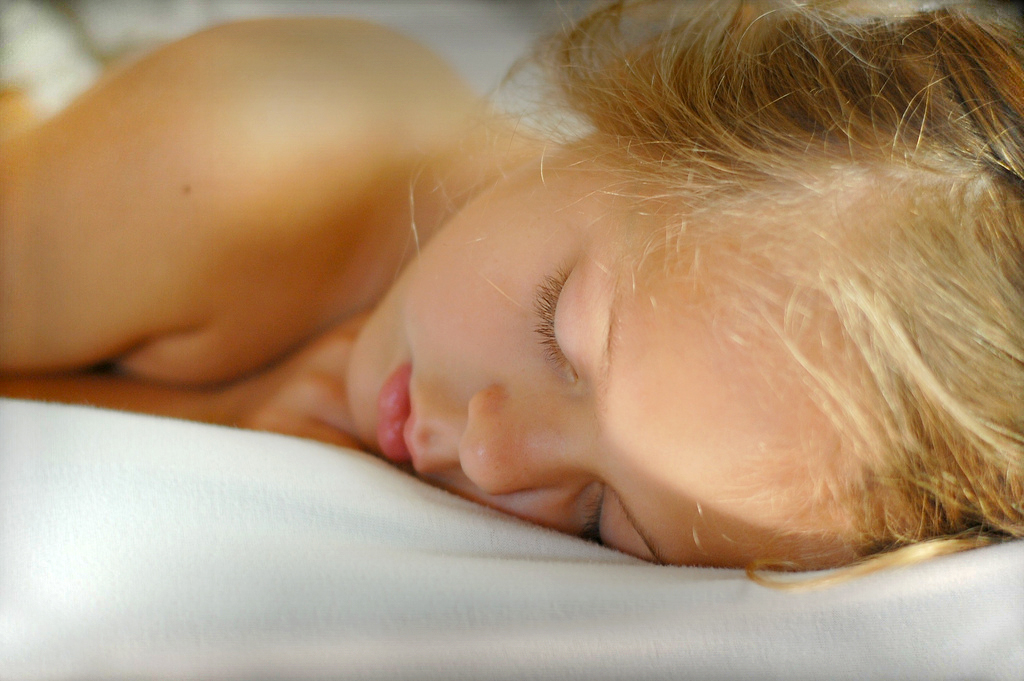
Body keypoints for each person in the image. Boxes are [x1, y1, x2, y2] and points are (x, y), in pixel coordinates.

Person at [1, 0, 1022, 574]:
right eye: (554, 328)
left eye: (601, 522)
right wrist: (221, 420)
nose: (491, 456)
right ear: (628, 113)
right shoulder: (235, 165)